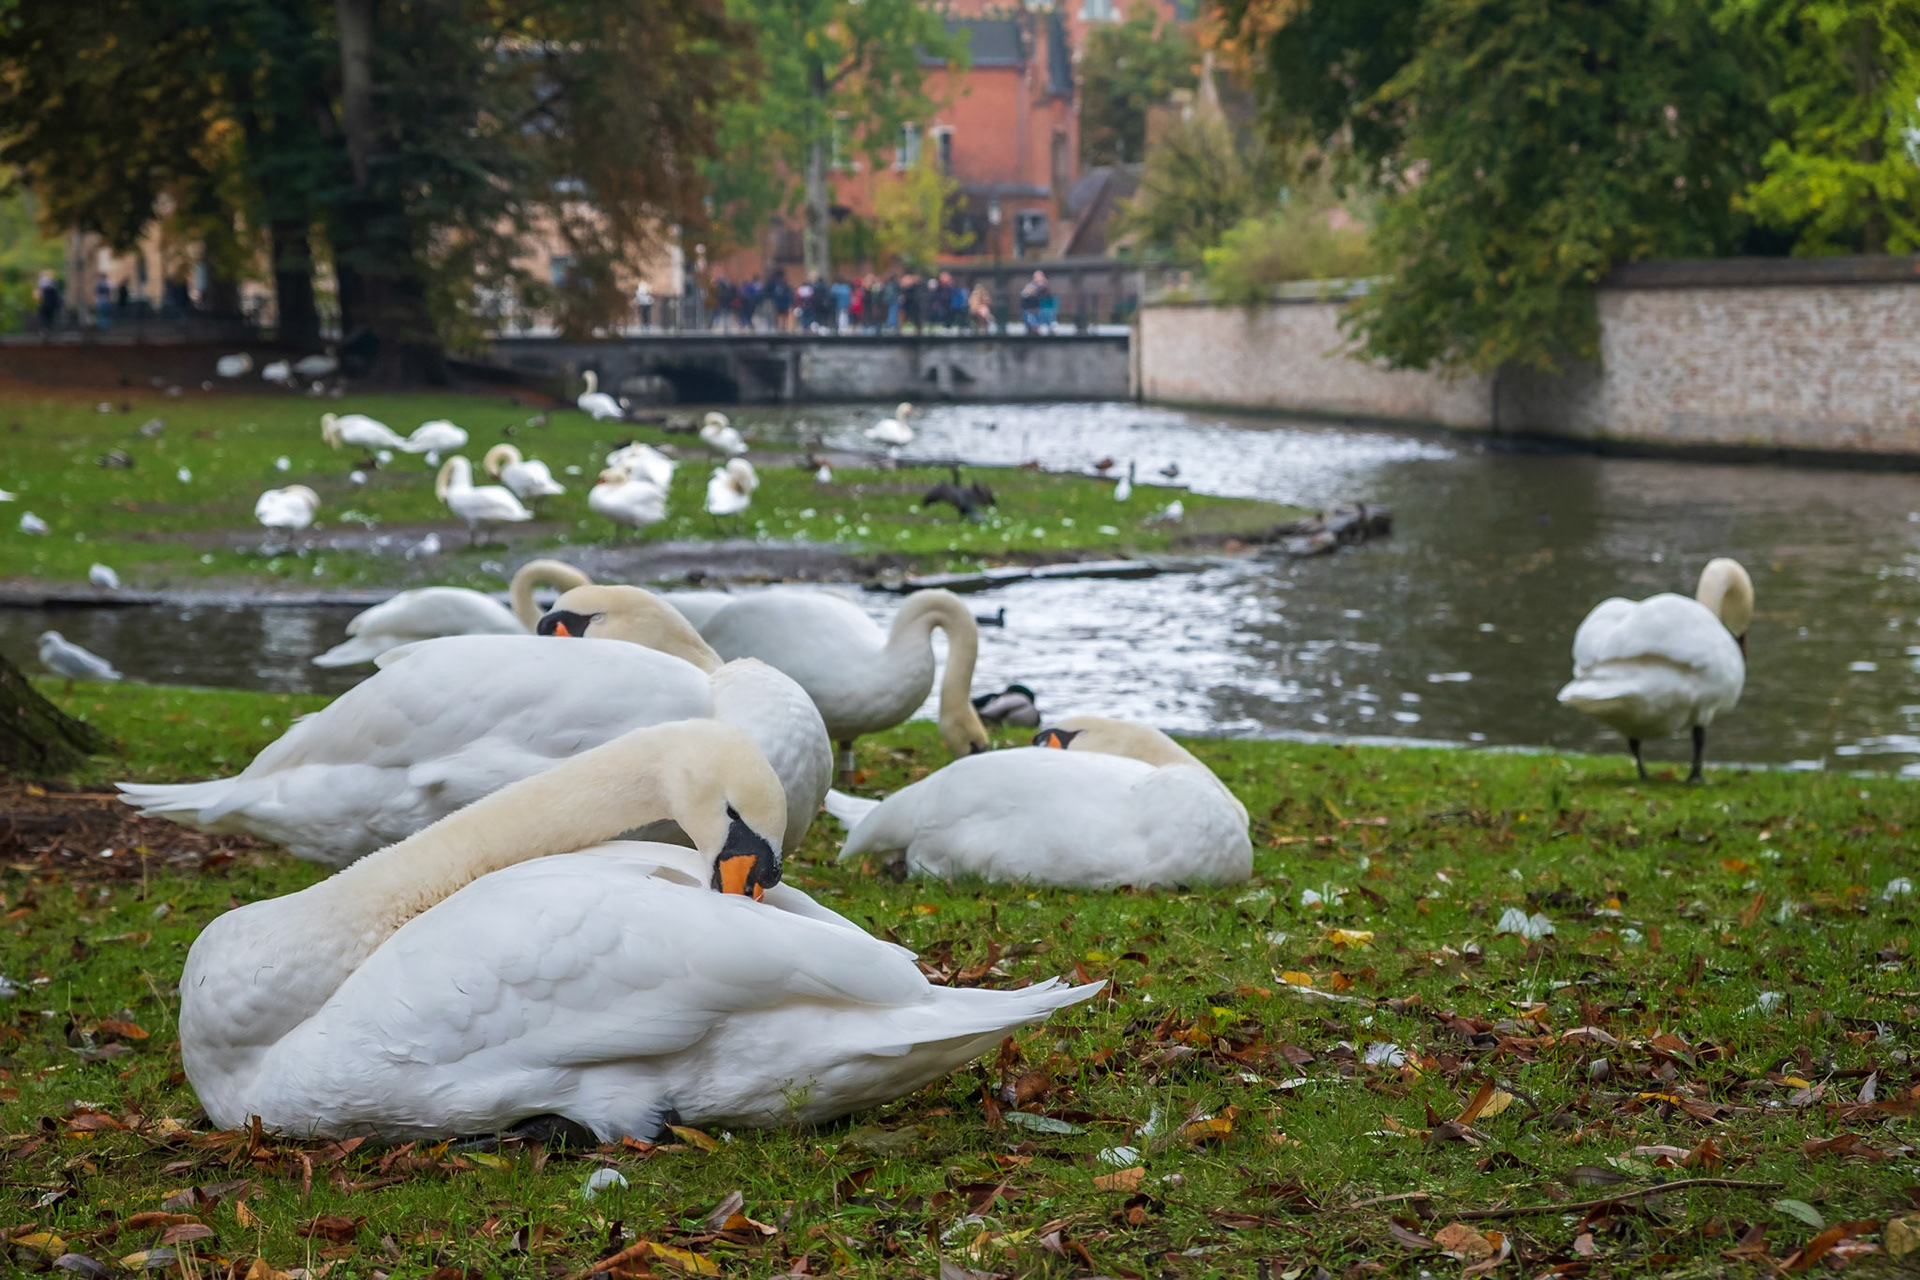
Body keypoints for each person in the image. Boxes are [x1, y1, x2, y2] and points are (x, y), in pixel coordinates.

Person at [35, 270, 60, 338]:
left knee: (44, 319)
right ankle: (47, 330)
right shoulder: (53, 285)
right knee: (49, 319)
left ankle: (45, 331)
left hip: (44, 305)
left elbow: (37, 296)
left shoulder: (41, 285)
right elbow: (55, 297)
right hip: (49, 305)